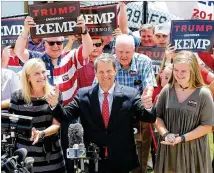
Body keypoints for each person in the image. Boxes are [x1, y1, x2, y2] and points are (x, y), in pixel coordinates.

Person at [46, 53, 156, 173]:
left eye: (109, 71)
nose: (105, 75)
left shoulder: (131, 94)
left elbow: (149, 118)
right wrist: (54, 104)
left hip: (122, 160)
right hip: (93, 160)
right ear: (95, 72)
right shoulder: (83, 95)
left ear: (115, 70)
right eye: (101, 72)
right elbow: (65, 116)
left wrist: (148, 106)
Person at [14, 15, 93, 171]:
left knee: (75, 157)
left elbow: (88, 49)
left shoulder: (70, 57)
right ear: (44, 44)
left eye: (59, 42)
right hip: (45, 117)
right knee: (50, 155)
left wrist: (84, 30)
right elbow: (19, 51)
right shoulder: (38, 59)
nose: (56, 46)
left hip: (69, 116)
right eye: (51, 43)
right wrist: (25, 31)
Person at [154, 50, 214, 173]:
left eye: (183, 71)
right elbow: (157, 117)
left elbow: (207, 126)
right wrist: (166, 134)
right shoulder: (167, 90)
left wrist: (182, 138)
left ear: (193, 71)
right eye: (176, 70)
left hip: (194, 152)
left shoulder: (203, 94)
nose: (178, 74)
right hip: (169, 150)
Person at [9, 58, 66, 173]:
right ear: (28, 77)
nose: (42, 76)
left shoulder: (55, 95)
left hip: (51, 159)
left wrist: (41, 134)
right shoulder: (17, 97)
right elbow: (12, 125)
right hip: (25, 160)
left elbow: (57, 125)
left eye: (43, 72)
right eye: (37, 73)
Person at [114, 34, 156, 173]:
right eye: (120, 52)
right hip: (116, 115)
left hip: (138, 112)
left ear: (134, 50)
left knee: (140, 151)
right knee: (117, 150)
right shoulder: (109, 63)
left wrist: (147, 96)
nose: (124, 56)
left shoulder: (144, 61)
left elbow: (149, 84)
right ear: (115, 50)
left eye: (127, 52)